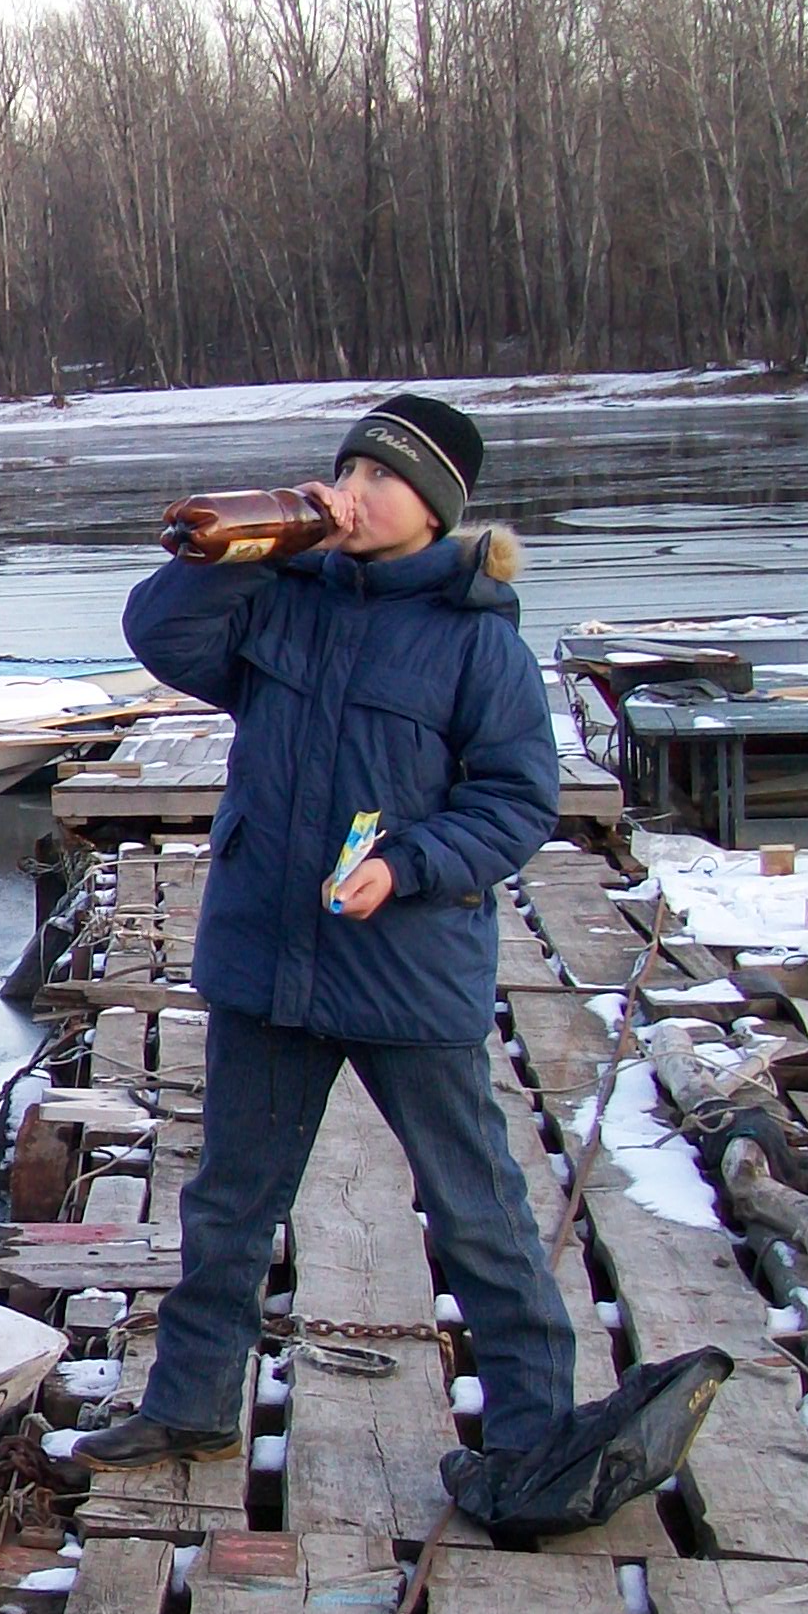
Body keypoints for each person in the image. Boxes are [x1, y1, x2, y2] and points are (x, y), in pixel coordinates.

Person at [77, 392, 570, 1471]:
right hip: (268, 956)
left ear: (433, 508)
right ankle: (192, 1401)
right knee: (229, 1200)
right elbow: (158, 633)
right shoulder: (279, 596)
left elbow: (518, 804)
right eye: (350, 466)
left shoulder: (478, 644)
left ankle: (534, 1434)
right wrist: (248, 548)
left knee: (474, 1206)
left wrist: (407, 865)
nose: (356, 489)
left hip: (405, 973)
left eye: (384, 476)